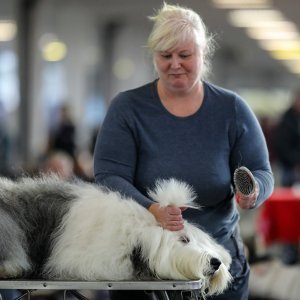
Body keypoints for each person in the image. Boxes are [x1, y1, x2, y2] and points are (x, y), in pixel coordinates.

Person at [93, 3, 274, 300]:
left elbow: (261, 171)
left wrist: (253, 192)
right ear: (154, 57)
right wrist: (152, 209)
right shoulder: (127, 108)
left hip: (216, 258)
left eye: (185, 55)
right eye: (165, 56)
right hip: (145, 263)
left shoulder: (233, 109)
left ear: (203, 55)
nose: (175, 64)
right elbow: (108, 175)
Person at [274, 90, 300, 265]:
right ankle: (289, 252)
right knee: (289, 212)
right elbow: (281, 146)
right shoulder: (286, 120)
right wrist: (295, 163)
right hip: (291, 171)